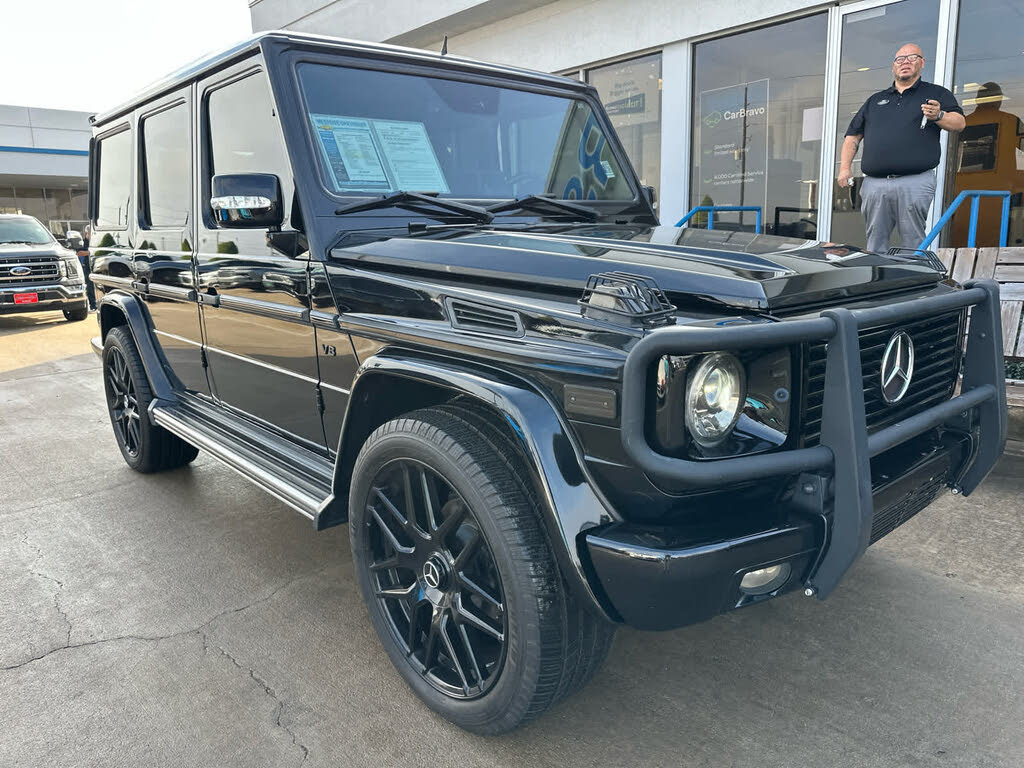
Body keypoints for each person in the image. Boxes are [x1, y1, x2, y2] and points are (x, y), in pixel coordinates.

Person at [838, 43, 965, 254]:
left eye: (912, 58)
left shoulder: (936, 94)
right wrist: (844, 168)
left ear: (922, 63)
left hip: (915, 181)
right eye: (900, 59)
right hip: (874, 184)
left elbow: (959, 123)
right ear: (893, 66)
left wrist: (939, 116)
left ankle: (913, 284)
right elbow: (853, 135)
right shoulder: (875, 100)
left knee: (913, 242)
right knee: (875, 243)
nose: (905, 62)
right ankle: (875, 283)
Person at [77, 225, 95, 311]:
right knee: (90, 287)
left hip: (96, 267)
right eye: (91, 233)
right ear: (86, 233)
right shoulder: (82, 242)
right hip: (86, 267)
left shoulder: (95, 242)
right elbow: (79, 253)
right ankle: (92, 305)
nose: (92, 235)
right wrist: (91, 252)